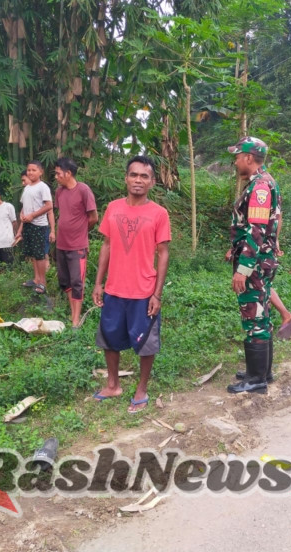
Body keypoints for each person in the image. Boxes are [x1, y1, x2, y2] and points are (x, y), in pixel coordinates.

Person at [92, 156, 171, 414]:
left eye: (144, 176)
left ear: (152, 182)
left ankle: (141, 388)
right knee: (109, 338)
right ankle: (113, 384)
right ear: (125, 178)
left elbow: (163, 253)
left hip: (143, 291)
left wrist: (157, 294)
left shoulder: (159, 213)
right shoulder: (113, 208)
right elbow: (106, 245)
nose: (138, 180)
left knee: (145, 341)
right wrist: (98, 283)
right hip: (114, 288)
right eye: (134, 175)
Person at [225, 136, 281, 394]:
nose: (235, 161)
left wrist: (243, 268)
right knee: (262, 313)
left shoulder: (259, 187)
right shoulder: (264, 182)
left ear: (249, 158)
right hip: (262, 259)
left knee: (254, 317)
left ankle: (256, 379)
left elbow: (257, 230)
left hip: (255, 263)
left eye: (237, 156)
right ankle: (262, 371)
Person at [53, 157, 98, 326]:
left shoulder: (83, 190)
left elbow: (94, 217)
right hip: (61, 244)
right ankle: (73, 315)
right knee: (65, 282)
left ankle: (76, 319)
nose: (56, 177)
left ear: (68, 173)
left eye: (58, 173)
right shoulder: (59, 192)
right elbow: (62, 215)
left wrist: (81, 231)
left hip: (77, 246)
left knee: (77, 282)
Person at [19, 161, 54, 294]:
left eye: (34, 170)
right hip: (28, 224)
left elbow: (49, 205)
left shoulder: (42, 187)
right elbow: (24, 206)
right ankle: (36, 279)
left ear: (40, 172)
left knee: (39, 255)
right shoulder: (27, 188)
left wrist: (32, 215)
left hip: (39, 225)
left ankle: (43, 283)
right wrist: (22, 215)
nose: (31, 172)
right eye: (29, 170)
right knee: (32, 254)